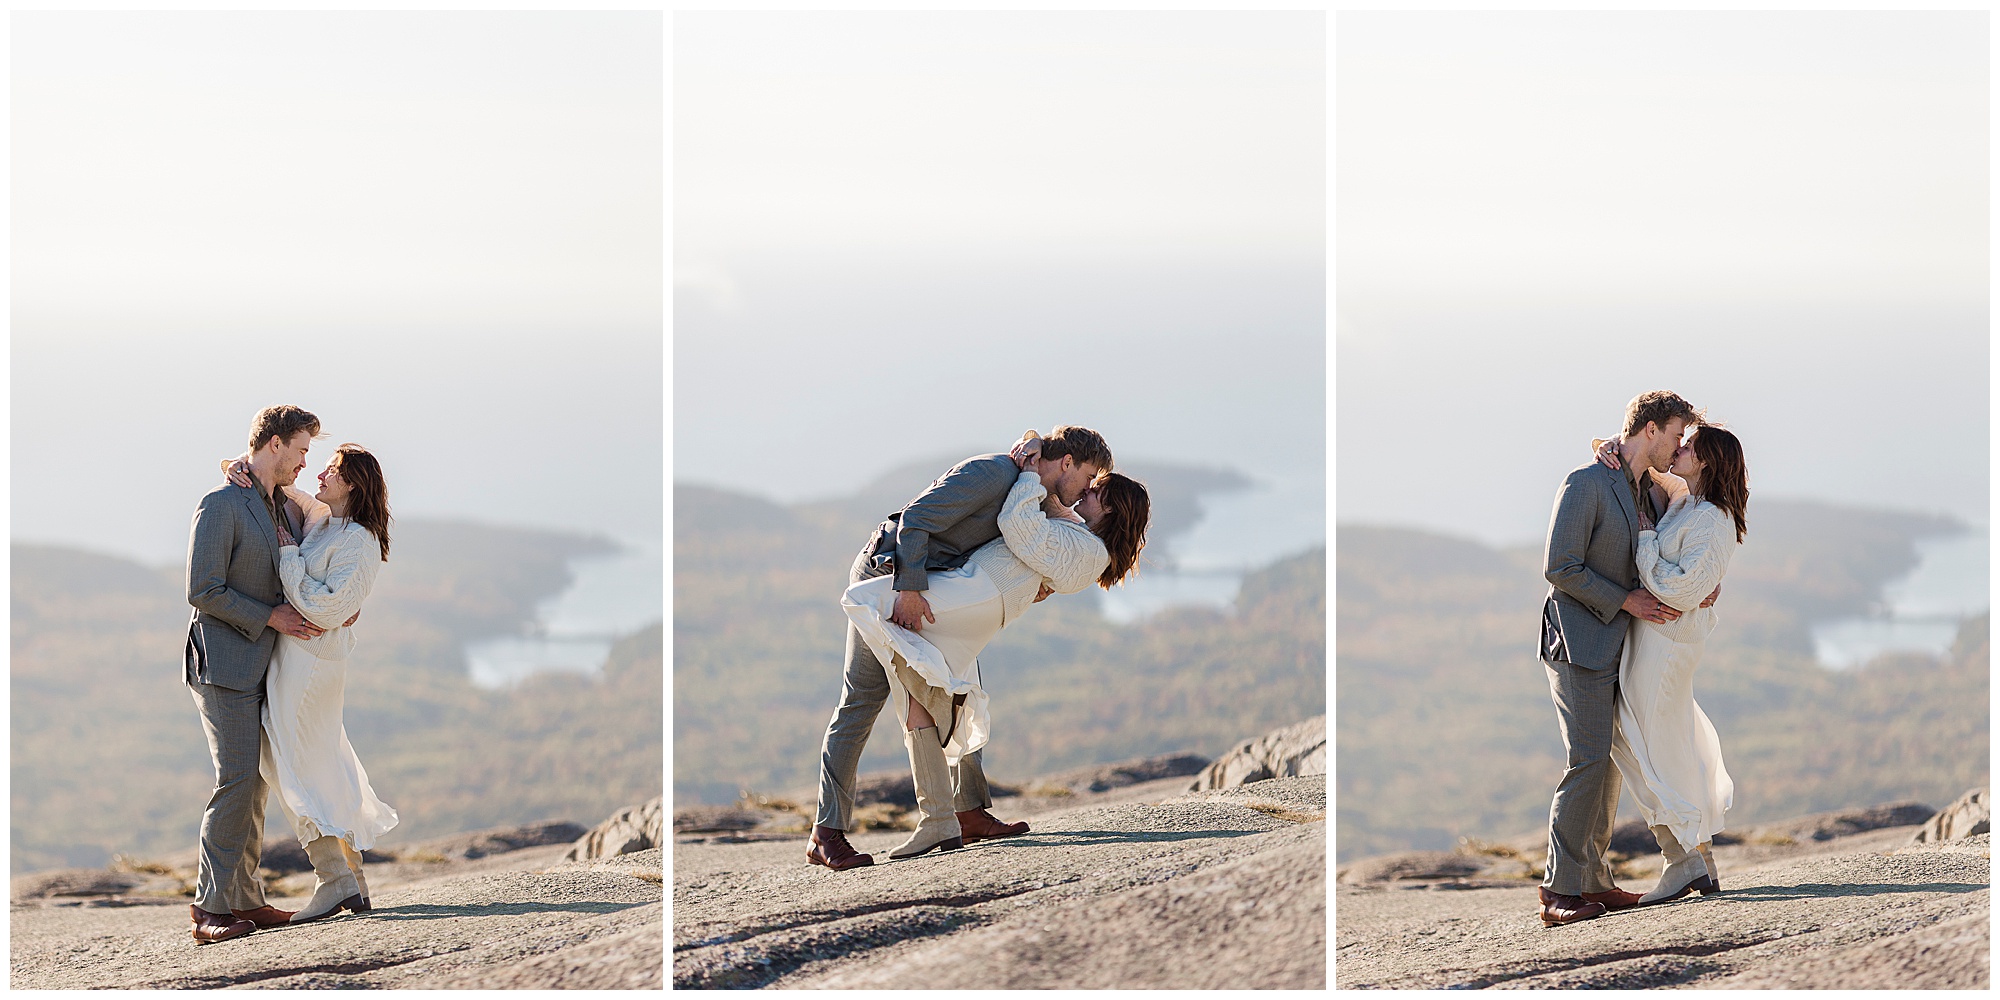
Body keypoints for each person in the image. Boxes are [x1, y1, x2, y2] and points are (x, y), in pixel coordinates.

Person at [807, 426, 1114, 872]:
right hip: (888, 577)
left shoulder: (1039, 487)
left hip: (936, 588)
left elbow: (1033, 540)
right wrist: (908, 590)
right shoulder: (992, 474)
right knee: (860, 703)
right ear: (1067, 463)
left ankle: (968, 812)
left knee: (962, 682)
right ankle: (826, 833)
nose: (1088, 489)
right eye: (1088, 478)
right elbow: (915, 520)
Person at [1535, 390, 1712, 928]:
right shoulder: (1585, 482)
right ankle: (1559, 890)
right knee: (1586, 761)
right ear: (1652, 429)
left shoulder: (1647, 490)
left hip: (1621, 647)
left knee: (1609, 764)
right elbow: (1559, 567)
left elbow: (1673, 537)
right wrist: (1625, 599)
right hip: (1577, 641)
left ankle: (1593, 881)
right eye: (1676, 435)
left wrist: (1697, 584)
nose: (1679, 445)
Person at [221, 443, 398, 923]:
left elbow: (325, 610)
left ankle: (333, 878)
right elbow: (273, 481)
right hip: (294, 659)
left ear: (355, 484)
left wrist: (288, 558)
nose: (321, 472)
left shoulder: (359, 541)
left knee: (288, 761)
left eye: (334, 470)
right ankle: (352, 880)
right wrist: (238, 464)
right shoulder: (324, 519)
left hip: (312, 666)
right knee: (316, 762)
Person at [183, 405, 329, 943]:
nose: (305, 462)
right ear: (273, 445)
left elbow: (320, 527)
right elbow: (203, 589)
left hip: (260, 664)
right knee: (236, 781)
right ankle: (210, 911)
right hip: (221, 663)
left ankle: (243, 899)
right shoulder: (220, 503)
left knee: (256, 785)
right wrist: (270, 615)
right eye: (301, 449)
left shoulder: (278, 504)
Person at [1593, 424, 1748, 905]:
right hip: (1656, 641)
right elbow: (1652, 465)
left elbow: (1680, 590)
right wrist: (1607, 448)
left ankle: (1683, 862)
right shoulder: (1689, 501)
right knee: (1656, 745)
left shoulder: (1713, 520)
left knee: (1651, 746)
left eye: (1689, 447)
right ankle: (1693, 861)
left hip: (1667, 647)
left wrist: (1643, 540)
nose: (1678, 450)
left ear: (1706, 462)